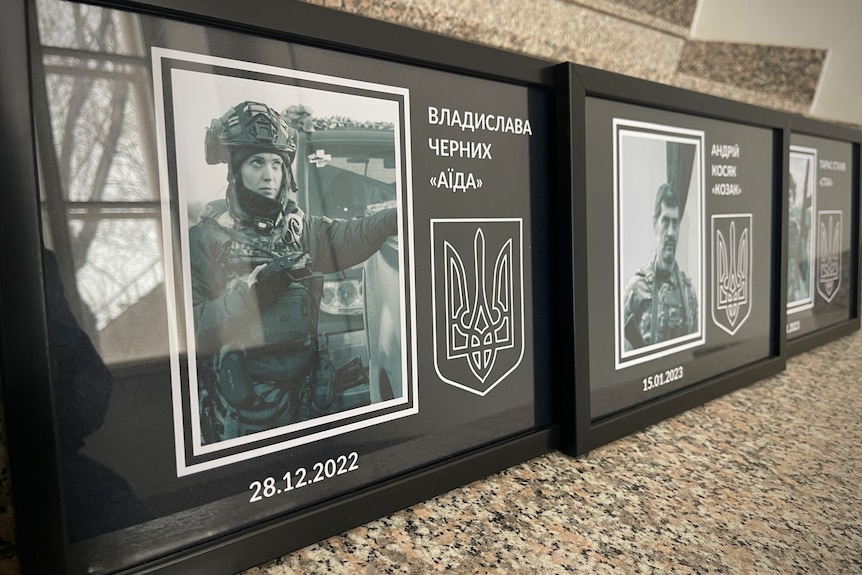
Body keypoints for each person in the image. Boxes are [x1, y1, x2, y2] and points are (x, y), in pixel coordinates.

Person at [189, 101, 397, 443]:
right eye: (257, 162)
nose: (270, 175)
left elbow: (348, 236)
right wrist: (251, 299)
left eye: (277, 163)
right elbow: (191, 333)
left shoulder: (300, 231)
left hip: (308, 401)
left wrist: (390, 219)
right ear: (235, 169)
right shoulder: (205, 242)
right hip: (245, 416)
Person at [622, 182, 698, 350]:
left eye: (675, 223)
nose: (670, 232)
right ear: (655, 224)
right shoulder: (636, 289)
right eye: (665, 222)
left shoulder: (689, 293)